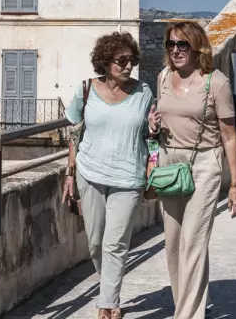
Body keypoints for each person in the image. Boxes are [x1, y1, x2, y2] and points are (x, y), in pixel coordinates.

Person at [147, 21, 236, 319]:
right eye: (171, 44)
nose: (175, 50)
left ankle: (187, 316)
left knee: (194, 240)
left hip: (203, 164)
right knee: (174, 244)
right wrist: (153, 126)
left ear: (197, 46)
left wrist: (235, 185)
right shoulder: (163, 77)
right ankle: (187, 307)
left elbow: (229, 136)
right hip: (168, 164)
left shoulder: (217, 83)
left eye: (182, 44)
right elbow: (160, 119)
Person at [62, 32, 154, 319]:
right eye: (121, 61)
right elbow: (74, 134)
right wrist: (69, 173)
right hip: (89, 174)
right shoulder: (85, 89)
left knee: (115, 243)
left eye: (131, 60)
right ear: (105, 61)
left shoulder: (144, 93)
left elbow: (150, 138)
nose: (128, 66)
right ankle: (109, 291)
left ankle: (107, 305)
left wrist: (153, 130)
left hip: (128, 177)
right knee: (95, 241)